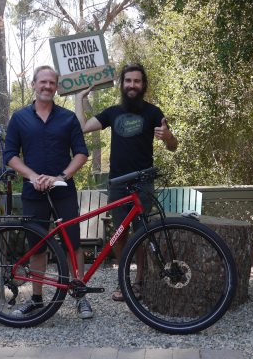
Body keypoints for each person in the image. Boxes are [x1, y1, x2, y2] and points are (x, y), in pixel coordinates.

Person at [75, 63, 178, 301]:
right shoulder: (112, 112)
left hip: (143, 183)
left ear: (143, 85)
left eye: (137, 81)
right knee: (120, 235)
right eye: (128, 81)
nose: (132, 85)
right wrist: (80, 100)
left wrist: (169, 137)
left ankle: (139, 282)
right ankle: (123, 282)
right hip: (118, 184)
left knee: (141, 233)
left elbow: (172, 147)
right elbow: (81, 128)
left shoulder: (153, 112)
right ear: (122, 85)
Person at [4, 65, 93, 319]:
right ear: (33, 84)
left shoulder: (67, 118)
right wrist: (32, 176)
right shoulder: (19, 118)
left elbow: (81, 153)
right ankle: (36, 299)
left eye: (51, 83)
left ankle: (80, 296)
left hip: (63, 190)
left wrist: (60, 177)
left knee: (72, 244)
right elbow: (9, 155)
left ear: (56, 87)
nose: (47, 86)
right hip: (33, 192)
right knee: (38, 247)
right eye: (42, 82)